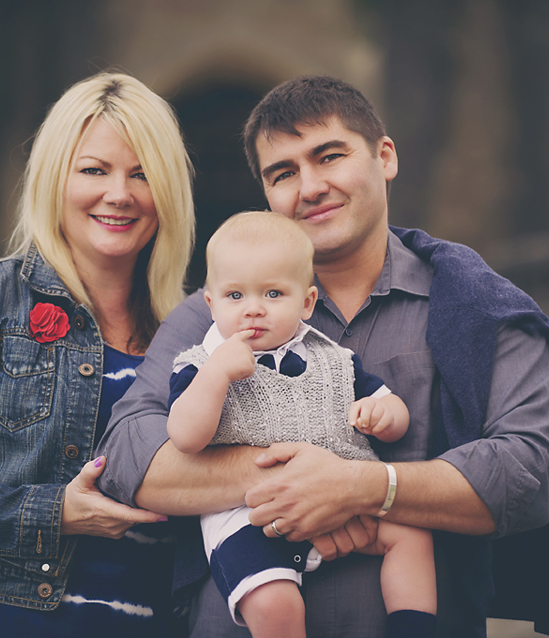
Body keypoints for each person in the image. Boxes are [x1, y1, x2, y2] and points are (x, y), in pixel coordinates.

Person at [98, 75, 549, 638]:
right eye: (283, 174)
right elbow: (128, 454)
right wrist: (298, 481)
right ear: (268, 197)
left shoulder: (477, 307)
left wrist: (361, 486)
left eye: (329, 156)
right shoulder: (219, 315)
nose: (310, 187)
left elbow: (528, 473)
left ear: (385, 157)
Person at [0, 72, 196, 637]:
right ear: (55, 179)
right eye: (94, 169)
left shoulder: (198, 330)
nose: (120, 193)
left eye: (143, 174)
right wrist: (56, 514)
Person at [167, 211, 437, 638]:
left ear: (307, 302)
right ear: (210, 303)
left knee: (410, 531)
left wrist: (384, 417)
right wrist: (216, 377)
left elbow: (393, 408)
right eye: (235, 296)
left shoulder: (334, 360)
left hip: (344, 502)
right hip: (250, 518)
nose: (253, 309)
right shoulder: (198, 367)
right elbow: (184, 437)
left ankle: (415, 627)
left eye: (273, 293)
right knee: (274, 603)